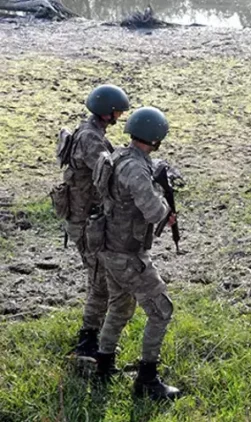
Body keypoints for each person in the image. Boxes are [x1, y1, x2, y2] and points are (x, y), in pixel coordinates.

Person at [93, 107, 181, 400]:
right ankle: (147, 380)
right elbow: (154, 210)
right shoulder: (136, 168)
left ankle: (103, 367)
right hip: (129, 254)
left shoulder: (117, 156)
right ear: (157, 137)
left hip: (109, 247)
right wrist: (166, 209)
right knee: (161, 311)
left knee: (119, 307)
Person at [56, 84, 130, 361]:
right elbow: (108, 174)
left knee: (97, 276)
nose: (119, 117)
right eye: (117, 113)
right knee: (99, 279)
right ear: (106, 113)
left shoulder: (86, 131)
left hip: (80, 217)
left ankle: (92, 333)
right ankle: (87, 340)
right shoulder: (91, 139)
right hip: (86, 221)